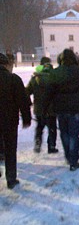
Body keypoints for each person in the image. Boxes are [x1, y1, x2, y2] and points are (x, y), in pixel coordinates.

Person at [43, 49, 79, 171]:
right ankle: (73, 160)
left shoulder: (55, 72)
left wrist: (45, 107)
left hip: (60, 107)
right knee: (74, 134)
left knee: (64, 132)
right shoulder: (78, 71)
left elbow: (49, 91)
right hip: (74, 106)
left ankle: (68, 156)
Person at [0, 53, 32, 188]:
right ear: (6, 64)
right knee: (10, 149)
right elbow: (23, 101)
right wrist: (26, 118)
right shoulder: (13, 79)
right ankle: (11, 178)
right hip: (10, 121)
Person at [26, 57, 58, 153]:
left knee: (39, 127)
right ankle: (51, 146)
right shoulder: (55, 78)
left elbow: (27, 91)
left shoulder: (35, 78)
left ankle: (37, 143)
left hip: (39, 108)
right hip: (51, 108)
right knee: (52, 128)